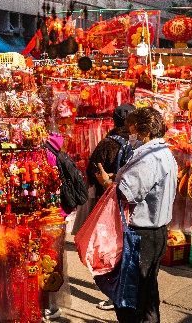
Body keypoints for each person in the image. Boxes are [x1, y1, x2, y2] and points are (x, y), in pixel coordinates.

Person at [95, 107, 178, 323]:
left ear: (144, 132)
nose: (130, 136)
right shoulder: (164, 153)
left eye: (132, 131)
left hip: (142, 236)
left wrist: (106, 182)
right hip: (155, 233)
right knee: (147, 294)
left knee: (131, 297)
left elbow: (126, 192)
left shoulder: (149, 157)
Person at [82, 103, 136, 311]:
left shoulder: (107, 143)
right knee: (128, 249)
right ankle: (127, 292)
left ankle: (116, 295)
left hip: (110, 204)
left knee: (110, 249)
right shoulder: (140, 145)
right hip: (133, 205)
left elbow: (92, 171)